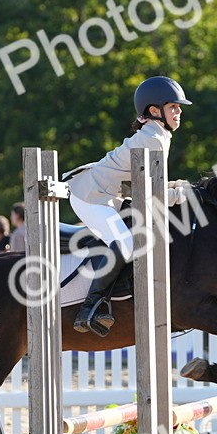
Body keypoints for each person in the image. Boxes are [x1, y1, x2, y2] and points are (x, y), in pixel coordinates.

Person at [66, 75, 197, 336]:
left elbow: (153, 183)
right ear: (154, 111)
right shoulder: (153, 138)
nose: (179, 112)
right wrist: (181, 195)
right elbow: (149, 195)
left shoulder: (158, 134)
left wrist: (180, 186)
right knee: (125, 243)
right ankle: (90, 307)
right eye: (173, 107)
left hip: (107, 195)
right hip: (90, 197)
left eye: (178, 107)